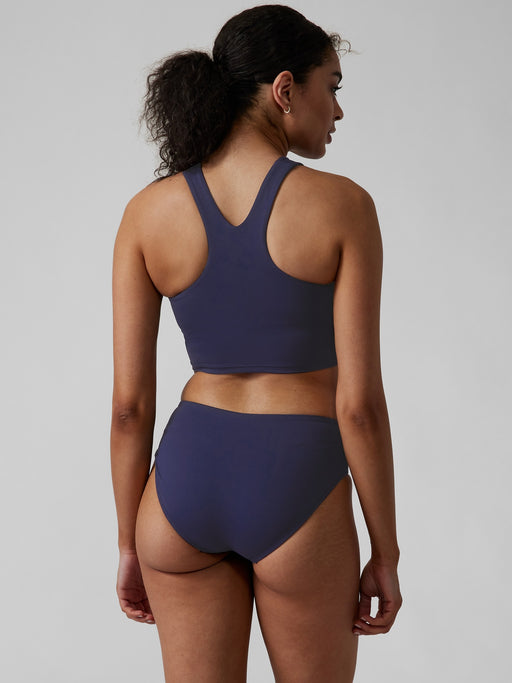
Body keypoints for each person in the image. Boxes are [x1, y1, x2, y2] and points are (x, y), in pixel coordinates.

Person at [110, 5, 402, 682]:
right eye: (332, 86)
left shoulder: (147, 213)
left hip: (182, 487)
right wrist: (385, 551)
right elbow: (358, 407)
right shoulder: (343, 206)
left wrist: (130, 542)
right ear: (284, 89)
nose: (337, 110)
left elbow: (128, 407)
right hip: (296, 476)